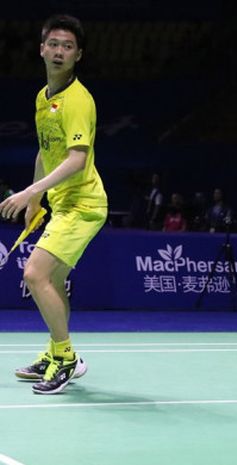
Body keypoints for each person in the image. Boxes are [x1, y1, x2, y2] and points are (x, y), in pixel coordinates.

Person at [0, 15, 108, 394]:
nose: (59, 51)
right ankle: (55, 352)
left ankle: (65, 358)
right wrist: (37, 197)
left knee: (34, 274)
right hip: (62, 204)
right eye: (54, 44)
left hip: (84, 205)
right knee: (53, 280)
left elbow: (77, 158)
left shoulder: (78, 100)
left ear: (78, 55)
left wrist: (30, 193)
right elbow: (46, 151)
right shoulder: (43, 98)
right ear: (41, 49)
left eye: (68, 46)